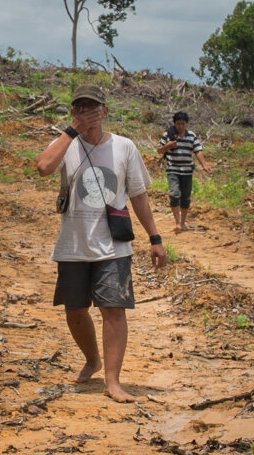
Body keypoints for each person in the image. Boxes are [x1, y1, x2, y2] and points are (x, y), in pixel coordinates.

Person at [33, 88, 168, 403]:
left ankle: (112, 380)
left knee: (114, 310)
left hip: (113, 245)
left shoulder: (124, 147)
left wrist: (155, 237)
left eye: (92, 107)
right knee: (75, 311)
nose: (86, 113)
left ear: (104, 111)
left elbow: (138, 195)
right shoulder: (66, 144)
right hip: (73, 245)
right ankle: (92, 360)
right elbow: (43, 168)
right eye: (79, 107)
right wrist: (72, 131)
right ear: (72, 113)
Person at [158, 110, 212, 233]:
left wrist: (204, 165)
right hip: (173, 169)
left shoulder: (191, 136)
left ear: (186, 124)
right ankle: (177, 223)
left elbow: (198, 150)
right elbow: (160, 150)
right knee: (174, 194)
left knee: (185, 197)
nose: (180, 126)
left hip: (187, 171)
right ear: (174, 123)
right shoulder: (168, 135)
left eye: (183, 124)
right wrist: (168, 146)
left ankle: (183, 223)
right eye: (178, 124)